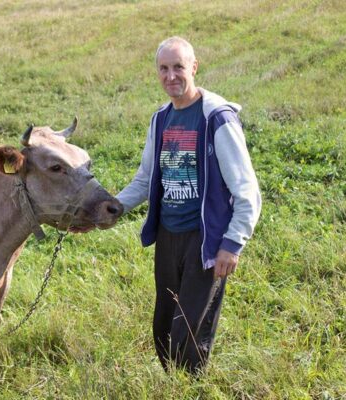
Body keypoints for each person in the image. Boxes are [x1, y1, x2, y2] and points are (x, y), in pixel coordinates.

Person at [115, 36, 262, 373]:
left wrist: (232, 243)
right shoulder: (161, 119)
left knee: (189, 331)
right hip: (168, 234)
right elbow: (145, 177)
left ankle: (190, 387)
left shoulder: (216, 119)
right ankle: (174, 384)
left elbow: (247, 189)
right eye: (163, 69)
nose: (171, 76)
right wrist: (114, 207)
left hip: (204, 237)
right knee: (164, 327)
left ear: (194, 67)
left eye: (178, 67)